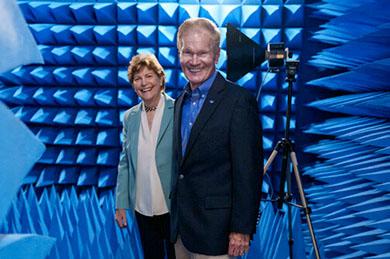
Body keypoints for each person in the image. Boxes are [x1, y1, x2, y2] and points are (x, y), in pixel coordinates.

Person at [170, 18, 263, 258]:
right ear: (179, 53)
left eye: (202, 53)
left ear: (217, 55)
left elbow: (248, 171)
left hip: (217, 233)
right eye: (187, 52)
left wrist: (241, 229)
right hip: (181, 230)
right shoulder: (180, 100)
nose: (193, 61)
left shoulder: (238, 101)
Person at [115, 53, 175, 259]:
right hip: (143, 206)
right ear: (133, 85)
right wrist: (121, 203)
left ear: (160, 79)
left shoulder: (177, 110)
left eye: (149, 76)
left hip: (172, 206)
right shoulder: (130, 117)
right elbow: (125, 164)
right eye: (137, 78)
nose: (144, 83)